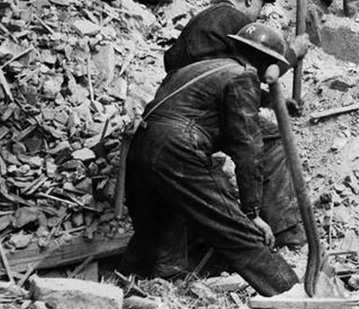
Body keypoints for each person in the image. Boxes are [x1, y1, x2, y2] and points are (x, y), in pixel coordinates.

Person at [122, 24, 309, 295]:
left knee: (154, 231)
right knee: (236, 232)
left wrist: (268, 101)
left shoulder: (199, 67)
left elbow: (208, 101)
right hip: (177, 148)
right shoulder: (243, 76)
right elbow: (247, 146)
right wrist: (252, 212)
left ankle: (135, 287)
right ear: (266, 61)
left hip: (141, 144)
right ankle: (291, 294)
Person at [164, 0, 274, 73]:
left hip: (176, 85)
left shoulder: (203, 15)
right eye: (261, 5)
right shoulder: (239, 20)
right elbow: (261, 68)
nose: (259, 13)